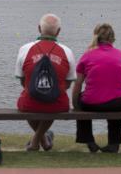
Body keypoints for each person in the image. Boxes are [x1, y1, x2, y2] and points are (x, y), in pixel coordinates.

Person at [15, 13, 76, 151]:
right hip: (58, 104)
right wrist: (51, 91)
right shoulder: (67, 51)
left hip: (29, 103)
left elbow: (23, 80)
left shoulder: (25, 49)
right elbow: (68, 83)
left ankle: (36, 140)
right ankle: (43, 140)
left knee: (28, 97)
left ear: (39, 28)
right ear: (58, 31)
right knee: (53, 100)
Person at [72, 23, 121, 153]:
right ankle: (114, 143)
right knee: (117, 96)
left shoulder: (87, 55)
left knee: (81, 99)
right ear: (112, 38)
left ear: (96, 36)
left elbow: (77, 84)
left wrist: (75, 104)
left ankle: (89, 140)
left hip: (93, 103)